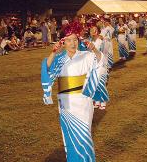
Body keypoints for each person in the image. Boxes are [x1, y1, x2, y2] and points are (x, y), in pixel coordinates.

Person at [41, 21, 103, 162]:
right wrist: (53, 52)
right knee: (68, 135)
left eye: (75, 39)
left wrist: (94, 49)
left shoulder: (85, 55)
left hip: (83, 101)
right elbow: (47, 68)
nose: (73, 43)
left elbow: (100, 61)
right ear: (63, 42)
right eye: (68, 40)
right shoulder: (59, 59)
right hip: (65, 103)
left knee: (84, 134)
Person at [86, 20, 110, 110]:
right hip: (92, 65)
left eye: (94, 30)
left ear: (97, 31)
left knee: (101, 83)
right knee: (94, 83)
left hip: (101, 65)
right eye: (91, 30)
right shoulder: (88, 41)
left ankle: (103, 101)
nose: (92, 32)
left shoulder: (101, 40)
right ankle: (96, 100)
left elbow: (105, 51)